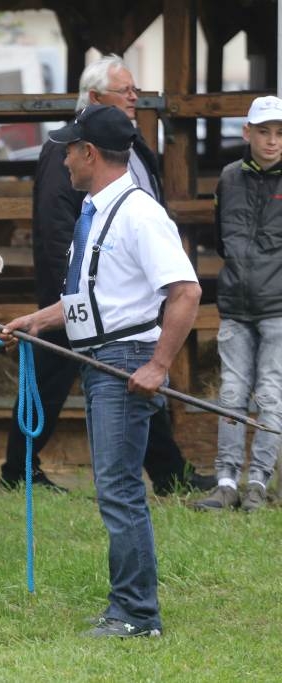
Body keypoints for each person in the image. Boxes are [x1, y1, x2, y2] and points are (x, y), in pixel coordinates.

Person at [2, 104, 202, 638]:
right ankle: (128, 606)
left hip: (123, 364)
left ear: (90, 153)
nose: (64, 158)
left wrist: (160, 364)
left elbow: (185, 293)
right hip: (100, 361)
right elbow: (96, 298)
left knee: (118, 490)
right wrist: (39, 321)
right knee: (115, 486)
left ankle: (136, 614)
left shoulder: (139, 214)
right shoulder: (94, 212)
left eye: (69, 148)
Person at [0, 54, 215, 496]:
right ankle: (18, 469)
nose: (135, 96)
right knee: (50, 380)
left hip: (124, 292)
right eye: (125, 90)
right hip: (81, 292)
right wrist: (69, 297)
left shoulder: (132, 151)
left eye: (135, 89)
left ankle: (169, 472)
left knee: (132, 384)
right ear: (96, 97)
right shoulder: (68, 154)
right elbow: (58, 226)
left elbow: (152, 221)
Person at [192, 96, 282, 513]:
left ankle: (258, 483)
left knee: (269, 394)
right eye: (264, 131)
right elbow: (220, 239)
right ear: (247, 133)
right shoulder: (229, 179)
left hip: (278, 308)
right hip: (236, 304)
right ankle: (226, 480)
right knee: (231, 392)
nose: (272, 141)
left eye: (280, 133)